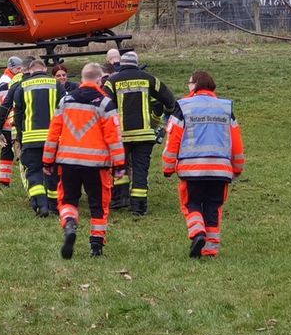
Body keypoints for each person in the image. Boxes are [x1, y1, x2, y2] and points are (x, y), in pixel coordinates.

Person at [43, 63, 126, 259]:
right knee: (99, 206)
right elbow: (114, 138)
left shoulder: (65, 101)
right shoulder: (105, 103)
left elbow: (53, 133)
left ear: (81, 79)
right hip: (97, 165)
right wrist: (120, 164)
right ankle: (96, 247)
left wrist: (47, 161)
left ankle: (70, 225)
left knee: (68, 201)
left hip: (68, 162)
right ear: (99, 80)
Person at [162, 70, 245, 258]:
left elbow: (173, 138)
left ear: (195, 85)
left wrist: (168, 167)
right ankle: (210, 249)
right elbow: (236, 141)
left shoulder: (183, 107)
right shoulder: (225, 108)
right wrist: (237, 167)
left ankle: (198, 233)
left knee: (191, 203)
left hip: (192, 169)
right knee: (213, 207)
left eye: (189, 83)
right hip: (221, 169)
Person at [104, 50, 177, 216]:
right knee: (140, 169)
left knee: (120, 168)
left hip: (121, 135)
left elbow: (103, 103)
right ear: (136, 63)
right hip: (144, 135)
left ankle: (119, 199)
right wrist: (165, 114)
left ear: (121, 64)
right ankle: (138, 206)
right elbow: (169, 99)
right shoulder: (149, 79)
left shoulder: (111, 81)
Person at [12, 59, 66, 216]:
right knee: (54, 172)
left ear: (29, 70)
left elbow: (17, 115)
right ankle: (54, 206)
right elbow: (65, 110)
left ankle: (41, 205)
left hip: (31, 138)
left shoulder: (22, 86)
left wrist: (20, 136)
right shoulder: (56, 85)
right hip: (53, 138)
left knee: (34, 171)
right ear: (45, 68)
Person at [0, 56, 24, 187]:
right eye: (18, 68)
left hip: (4, 122)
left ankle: (4, 181)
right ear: (11, 68)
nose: (21, 70)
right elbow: (8, 105)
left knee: (7, 150)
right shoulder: (6, 82)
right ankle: (5, 181)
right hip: (8, 123)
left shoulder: (7, 79)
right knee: (12, 150)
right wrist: (14, 122)